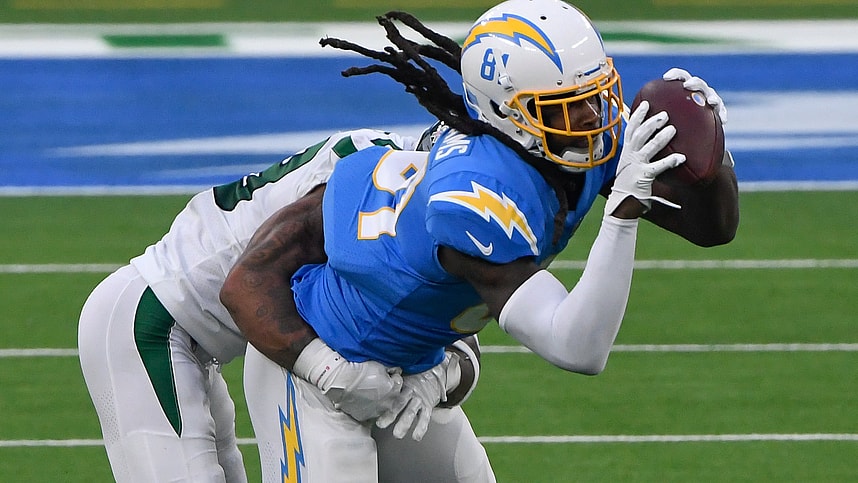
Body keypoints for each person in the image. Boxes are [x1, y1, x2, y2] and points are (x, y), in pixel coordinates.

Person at [220, 1, 740, 482]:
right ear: (507, 114)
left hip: (412, 365)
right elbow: (578, 346)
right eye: (563, 107)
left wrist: (714, 156)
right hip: (320, 362)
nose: (590, 119)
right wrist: (621, 215)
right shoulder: (473, 197)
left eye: (595, 96)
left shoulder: (568, 135)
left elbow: (711, 229)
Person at [77, 127, 482, 482]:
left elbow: (452, 327)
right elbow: (244, 288)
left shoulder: (447, 200)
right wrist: (329, 370)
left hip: (208, 330)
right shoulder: (371, 183)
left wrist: (436, 377)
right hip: (149, 320)